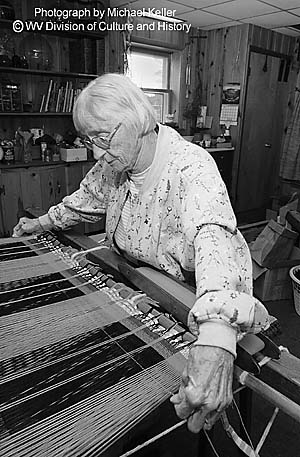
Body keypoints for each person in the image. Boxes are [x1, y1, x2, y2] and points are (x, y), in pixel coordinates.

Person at [13, 73, 269, 433]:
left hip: (192, 297)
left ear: (139, 120)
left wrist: (216, 337)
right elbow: (84, 200)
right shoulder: (114, 165)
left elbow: (214, 239)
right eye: (90, 140)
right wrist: (39, 224)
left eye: (103, 138)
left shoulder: (191, 167)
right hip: (141, 282)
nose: (97, 153)